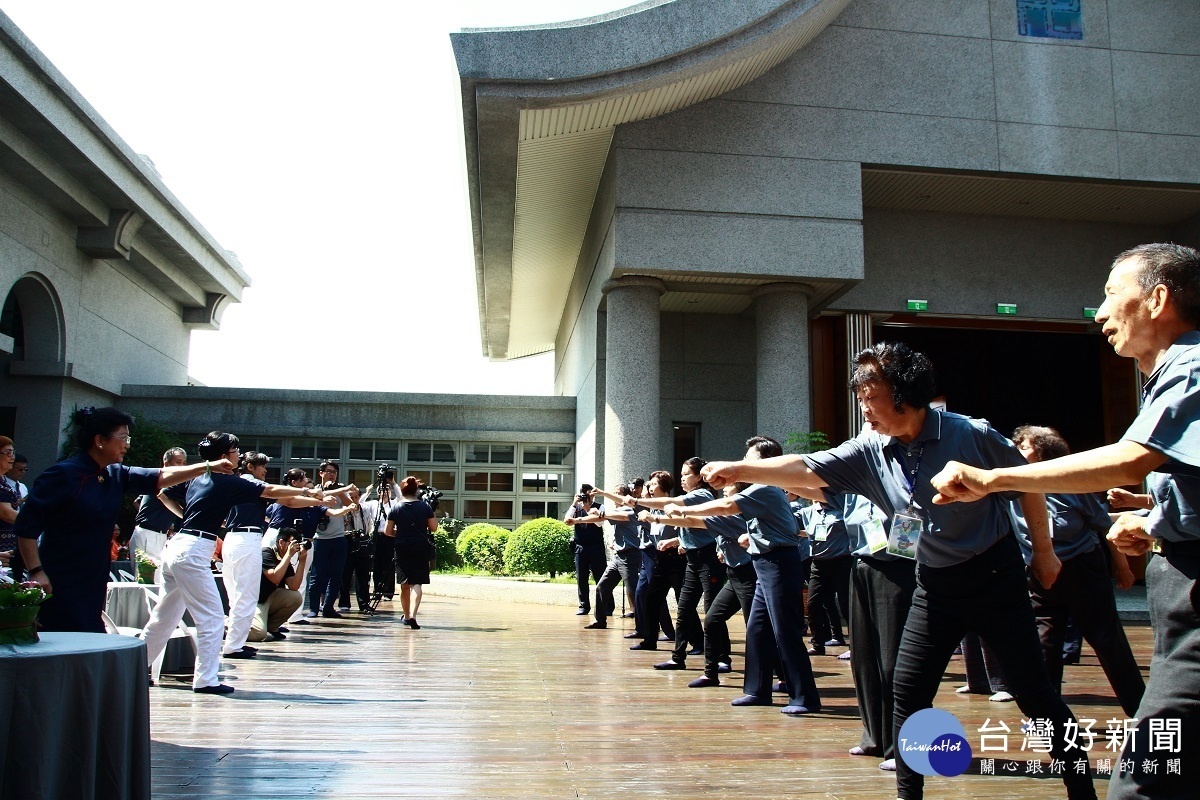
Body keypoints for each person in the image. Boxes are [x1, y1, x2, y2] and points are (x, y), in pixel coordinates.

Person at [702, 345, 1096, 800]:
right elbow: (806, 465)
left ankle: (1080, 789)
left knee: (1035, 695)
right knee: (907, 694)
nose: (864, 408)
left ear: (904, 395)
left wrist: (1043, 554)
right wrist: (741, 468)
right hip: (934, 584)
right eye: (860, 398)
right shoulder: (870, 448)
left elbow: (1029, 483)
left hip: (995, 577)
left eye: (870, 397)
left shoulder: (971, 434)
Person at [15, 408, 237, 633]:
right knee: (60, 639)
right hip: (58, 578)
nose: (127, 444)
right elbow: (26, 527)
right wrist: (36, 571)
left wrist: (207, 466)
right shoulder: (63, 476)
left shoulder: (115, 474)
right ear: (100, 440)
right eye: (123, 438)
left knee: (88, 638)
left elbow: (159, 477)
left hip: (93, 578)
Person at [140, 431, 329, 692]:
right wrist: (310, 492)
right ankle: (206, 680)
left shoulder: (199, 476)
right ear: (223, 457)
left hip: (178, 547)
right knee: (212, 617)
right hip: (194, 550)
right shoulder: (227, 481)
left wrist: (185, 517)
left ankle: (137, 669)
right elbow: (272, 490)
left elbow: (162, 491)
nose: (238, 455)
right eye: (234, 451)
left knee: (164, 615)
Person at [668, 436, 820, 715]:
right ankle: (757, 690)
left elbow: (726, 508)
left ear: (767, 461)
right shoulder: (762, 488)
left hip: (778, 563)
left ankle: (804, 696)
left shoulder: (765, 487)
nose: (745, 462)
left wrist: (684, 509)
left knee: (785, 630)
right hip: (762, 563)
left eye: (749, 458)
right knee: (757, 630)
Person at [1009, 424, 1144, 717]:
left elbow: (1104, 525)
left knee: (1106, 638)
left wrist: (1122, 568)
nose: (1015, 448)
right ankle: (1046, 715)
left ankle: (1140, 711)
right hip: (1039, 571)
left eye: (1023, 445)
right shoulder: (1009, 484)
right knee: (1044, 640)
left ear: (1043, 453)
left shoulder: (1069, 482)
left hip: (1082, 567)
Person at [660, 483, 752, 687]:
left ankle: (775, 674)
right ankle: (707, 671)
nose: (724, 490)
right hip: (729, 570)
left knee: (756, 625)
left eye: (686, 474)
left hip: (747, 573)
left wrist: (655, 516)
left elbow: (700, 521)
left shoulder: (731, 511)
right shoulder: (725, 511)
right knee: (709, 618)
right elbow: (713, 531)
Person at [637, 457, 721, 671]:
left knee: (713, 613)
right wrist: (679, 540)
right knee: (683, 609)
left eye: (686, 475)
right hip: (692, 559)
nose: (682, 479)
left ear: (699, 477)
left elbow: (673, 507)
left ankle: (721, 658)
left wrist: (637, 502)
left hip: (707, 559)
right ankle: (677, 657)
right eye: (681, 475)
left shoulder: (701, 495)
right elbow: (686, 524)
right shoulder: (690, 497)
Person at [570, 484, 642, 630]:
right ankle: (600, 621)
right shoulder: (615, 510)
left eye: (617, 493)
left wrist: (600, 500)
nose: (614, 496)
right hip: (618, 557)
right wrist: (579, 520)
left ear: (625, 497)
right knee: (602, 587)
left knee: (634, 591)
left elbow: (608, 517)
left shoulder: (629, 509)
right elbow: (595, 518)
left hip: (630, 556)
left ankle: (644, 626)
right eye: (613, 493)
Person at [797, 494, 851, 654]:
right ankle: (817, 644)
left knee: (845, 604)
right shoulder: (808, 512)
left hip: (842, 561)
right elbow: (806, 531)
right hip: (819, 563)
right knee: (813, 603)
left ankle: (854, 647)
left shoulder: (842, 508)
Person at [385, 476, 437, 629]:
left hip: (402, 547)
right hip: (420, 546)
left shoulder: (396, 508)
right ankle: (414, 615)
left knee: (404, 583)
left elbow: (388, 532)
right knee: (417, 583)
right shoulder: (425, 507)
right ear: (416, 491)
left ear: (402, 490)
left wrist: (400, 534)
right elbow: (434, 527)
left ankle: (406, 616)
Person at [130, 447, 188, 580]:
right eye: (179, 462)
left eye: (185, 463)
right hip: (148, 534)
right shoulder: (163, 480)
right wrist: (149, 520)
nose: (183, 466)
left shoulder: (167, 481)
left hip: (158, 535)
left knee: (158, 580)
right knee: (146, 580)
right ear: (166, 464)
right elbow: (164, 496)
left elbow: (136, 502)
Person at [249, 527, 308, 642]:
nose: (294, 547)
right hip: (257, 600)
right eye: (292, 543)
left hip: (270, 598)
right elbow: (275, 578)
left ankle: (272, 626)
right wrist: (288, 555)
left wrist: (302, 561)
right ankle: (226, 626)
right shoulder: (266, 553)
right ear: (281, 542)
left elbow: (294, 586)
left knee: (295, 597)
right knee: (259, 634)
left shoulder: (285, 560)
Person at [564, 484, 605, 615]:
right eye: (586, 495)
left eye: (591, 495)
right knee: (581, 577)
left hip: (596, 546)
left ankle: (607, 606)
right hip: (580, 546)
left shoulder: (600, 507)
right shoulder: (576, 508)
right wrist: (574, 504)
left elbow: (599, 523)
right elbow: (566, 520)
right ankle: (583, 606)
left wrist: (588, 508)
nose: (589, 497)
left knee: (601, 577)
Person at [0, 437, 19, 574]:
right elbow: (6, 513)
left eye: (13, 452)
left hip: (9, 544)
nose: (12, 457)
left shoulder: (4, 481)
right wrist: (34, 520)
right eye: (7, 453)